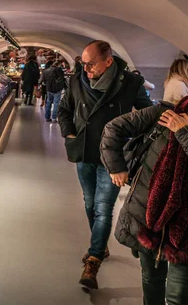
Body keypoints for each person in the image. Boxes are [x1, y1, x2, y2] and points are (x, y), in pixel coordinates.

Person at [58, 40, 152, 290]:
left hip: (113, 157)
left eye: (91, 64)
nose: (86, 69)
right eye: (83, 64)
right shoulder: (77, 79)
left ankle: (94, 257)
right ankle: (100, 244)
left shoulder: (131, 83)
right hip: (85, 151)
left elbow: (147, 115)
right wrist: (70, 135)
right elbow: (64, 110)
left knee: (103, 207)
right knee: (89, 203)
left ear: (108, 61)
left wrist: (132, 140)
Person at [100, 60, 188, 305]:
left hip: (183, 230)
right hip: (149, 217)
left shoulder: (179, 124)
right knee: (151, 278)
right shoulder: (165, 113)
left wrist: (183, 132)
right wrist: (116, 167)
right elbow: (113, 129)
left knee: (178, 296)